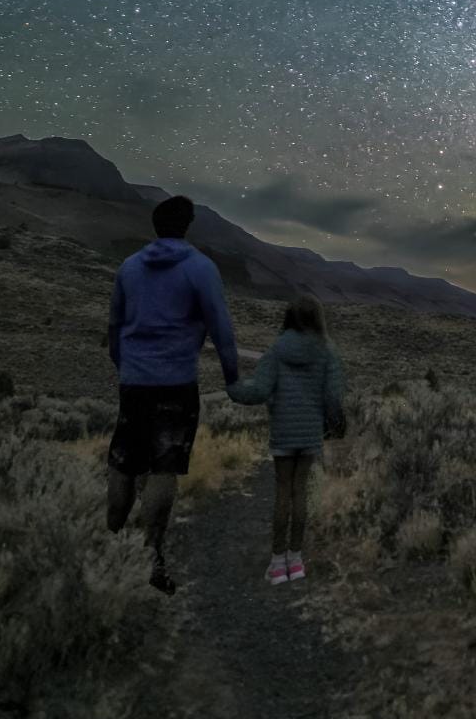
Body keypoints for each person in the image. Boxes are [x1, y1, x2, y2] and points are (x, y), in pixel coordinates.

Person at [106, 193, 238, 593]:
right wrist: (232, 379)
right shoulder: (200, 268)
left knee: (124, 460)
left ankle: (110, 542)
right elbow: (222, 329)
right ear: (187, 225)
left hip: (134, 381)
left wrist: (124, 365)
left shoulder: (129, 268)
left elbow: (114, 325)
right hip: (176, 382)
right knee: (164, 466)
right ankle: (150, 557)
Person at [226, 293, 346, 584]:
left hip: (283, 432)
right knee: (300, 493)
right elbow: (332, 397)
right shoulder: (327, 352)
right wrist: (336, 424)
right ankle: (296, 560)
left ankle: (278, 564)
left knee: (282, 494)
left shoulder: (277, 350)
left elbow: (259, 391)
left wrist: (233, 386)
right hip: (309, 433)